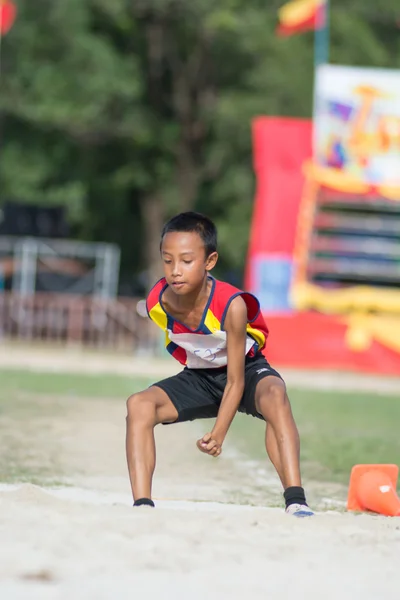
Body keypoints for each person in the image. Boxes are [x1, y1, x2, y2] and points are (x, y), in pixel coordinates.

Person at [126, 212, 314, 517]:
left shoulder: (232, 305)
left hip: (245, 372)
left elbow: (236, 381)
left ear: (209, 261)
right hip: (200, 377)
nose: (175, 271)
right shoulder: (156, 302)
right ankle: (142, 505)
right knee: (138, 404)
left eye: (186, 260)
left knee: (276, 394)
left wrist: (219, 433)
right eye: (168, 260)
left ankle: (296, 500)